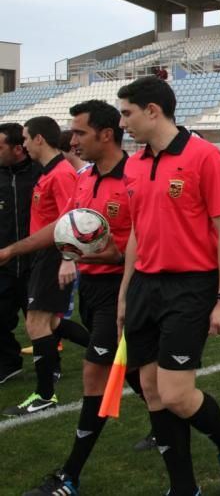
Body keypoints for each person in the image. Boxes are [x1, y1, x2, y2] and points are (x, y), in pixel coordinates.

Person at [115, 76, 220, 496]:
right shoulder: (134, 163)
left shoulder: (203, 156)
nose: (122, 123)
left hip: (189, 287)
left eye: (127, 113)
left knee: (175, 393)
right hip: (145, 286)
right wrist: (125, 290)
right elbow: (137, 230)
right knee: (152, 389)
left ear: (153, 110)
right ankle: (184, 487)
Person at [1, 101, 140, 494]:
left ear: (106, 134)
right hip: (93, 287)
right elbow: (65, 227)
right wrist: (13, 250)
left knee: (94, 375)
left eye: (78, 133)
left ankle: (68, 476)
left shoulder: (135, 178)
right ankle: (215, 439)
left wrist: (85, 256)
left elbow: (142, 242)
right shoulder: (83, 178)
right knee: (138, 376)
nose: (72, 140)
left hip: (121, 288)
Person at [1, 117, 84, 417]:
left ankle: (45, 394)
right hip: (42, 256)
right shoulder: (48, 172)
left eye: (25, 138)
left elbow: (71, 221)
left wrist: (66, 259)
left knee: (36, 324)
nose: (22, 144)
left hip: (51, 256)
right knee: (49, 324)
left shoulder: (60, 173)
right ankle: (108, 351)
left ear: (38, 139)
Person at [0, 123, 40, 387]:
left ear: (18, 149)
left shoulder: (41, 174)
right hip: (3, 264)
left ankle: (50, 367)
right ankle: (8, 364)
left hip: (35, 264)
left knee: (42, 325)